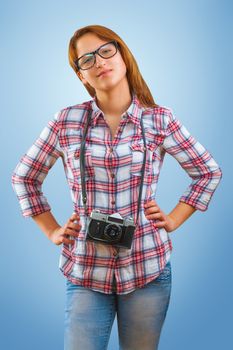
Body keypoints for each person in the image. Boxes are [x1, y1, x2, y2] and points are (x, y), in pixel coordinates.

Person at [11, 24, 222, 350]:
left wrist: (175, 219)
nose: (99, 62)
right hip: (84, 270)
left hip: (147, 268)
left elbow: (207, 172)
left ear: (123, 55)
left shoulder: (159, 120)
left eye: (106, 51)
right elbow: (24, 177)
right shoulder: (66, 121)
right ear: (82, 76)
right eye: (87, 59)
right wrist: (52, 231)